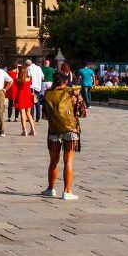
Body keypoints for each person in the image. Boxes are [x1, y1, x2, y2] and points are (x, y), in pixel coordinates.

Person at [39, 68, 85, 200]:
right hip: (70, 130)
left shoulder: (48, 94)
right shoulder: (72, 92)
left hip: (53, 131)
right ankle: (67, 192)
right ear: (65, 81)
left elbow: (45, 115)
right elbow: (82, 112)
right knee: (68, 161)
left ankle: (50, 189)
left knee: (53, 161)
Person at [10, 64, 36, 136]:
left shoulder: (18, 79)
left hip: (20, 96)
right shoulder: (30, 78)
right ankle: (33, 129)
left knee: (22, 114)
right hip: (28, 95)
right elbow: (30, 84)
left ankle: (24, 130)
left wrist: (17, 74)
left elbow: (15, 83)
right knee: (29, 114)